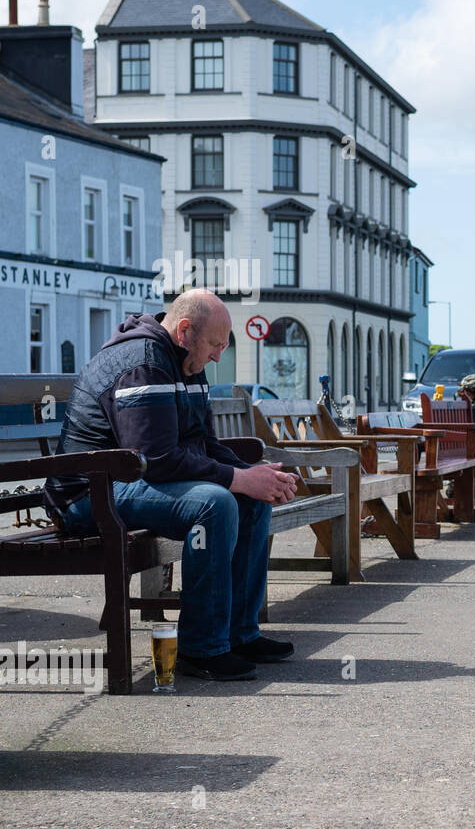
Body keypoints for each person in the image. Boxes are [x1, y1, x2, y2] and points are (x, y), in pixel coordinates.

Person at [43, 290, 300, 681]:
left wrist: (257, 475)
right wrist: (240, 479)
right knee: (215, 503)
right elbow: (156, 458)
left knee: (250, 499)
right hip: (88, 494)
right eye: (215, 345)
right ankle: (201, 649)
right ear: (184, 331)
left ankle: (238, 635)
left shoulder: (187, 363)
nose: (218, 355)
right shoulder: (143, 364)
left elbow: (205, 445)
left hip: (127, 481)